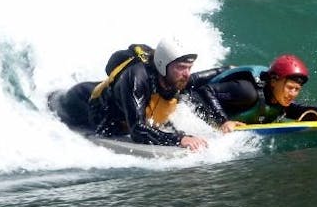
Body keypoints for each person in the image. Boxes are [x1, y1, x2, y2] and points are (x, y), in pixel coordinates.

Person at [48, 37, 225, 150]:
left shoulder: (173, 77)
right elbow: (138, 130)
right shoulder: (136, 78)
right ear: (163, 64)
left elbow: (197, 90)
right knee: (51, 104)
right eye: (181, 68)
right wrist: (179, 139)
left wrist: (222, 122)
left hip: (110, 101)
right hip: (76, 104)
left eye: (189, 68)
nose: (186, 73)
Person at [188, 54, 317, 133]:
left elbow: (295, 110)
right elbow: (204, 91)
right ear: (274, 81)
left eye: (297, 89)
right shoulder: (247, 92)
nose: (293, 94)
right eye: (289, 87)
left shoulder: (276, 99)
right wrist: (222, 121)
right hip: (189, 104)